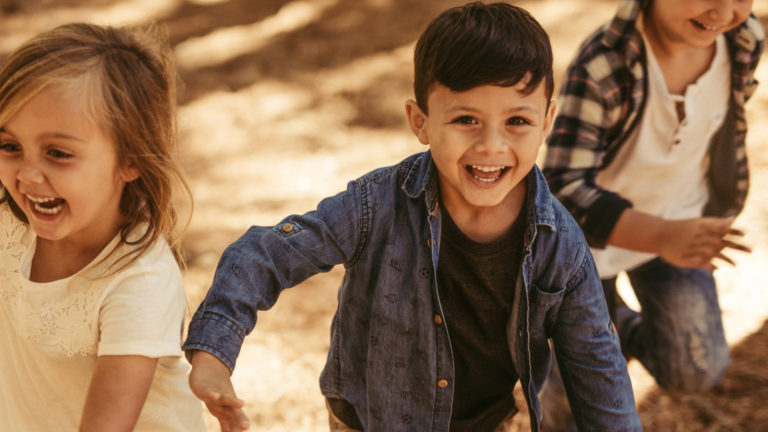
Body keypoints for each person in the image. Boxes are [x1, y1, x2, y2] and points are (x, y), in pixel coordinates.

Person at [183, 2, 641, 432]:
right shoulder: (374, 206)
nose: (491, 145)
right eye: (466, 119)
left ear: (547, 120)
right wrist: (214, 353)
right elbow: (267, 253)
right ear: (419, 121)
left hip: (487, 421)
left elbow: (598, 367)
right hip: (370, 419)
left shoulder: (560, 243)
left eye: (517, 122)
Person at [541, 0, 763, 430]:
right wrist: (660, 236)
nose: (723, 11)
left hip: (681, 221)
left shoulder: (743, 38)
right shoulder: (606, 63)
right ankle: (588, 348)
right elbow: (563, 187)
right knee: (574, 394)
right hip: (589, 250)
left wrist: (680, 228)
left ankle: (614, 325)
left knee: (695, 369)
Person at [0, 23, 206, 431]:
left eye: (58, 153)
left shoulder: (139, 282)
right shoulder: (9, 224)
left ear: (132, 159)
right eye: (9, 146)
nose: (27, 174)